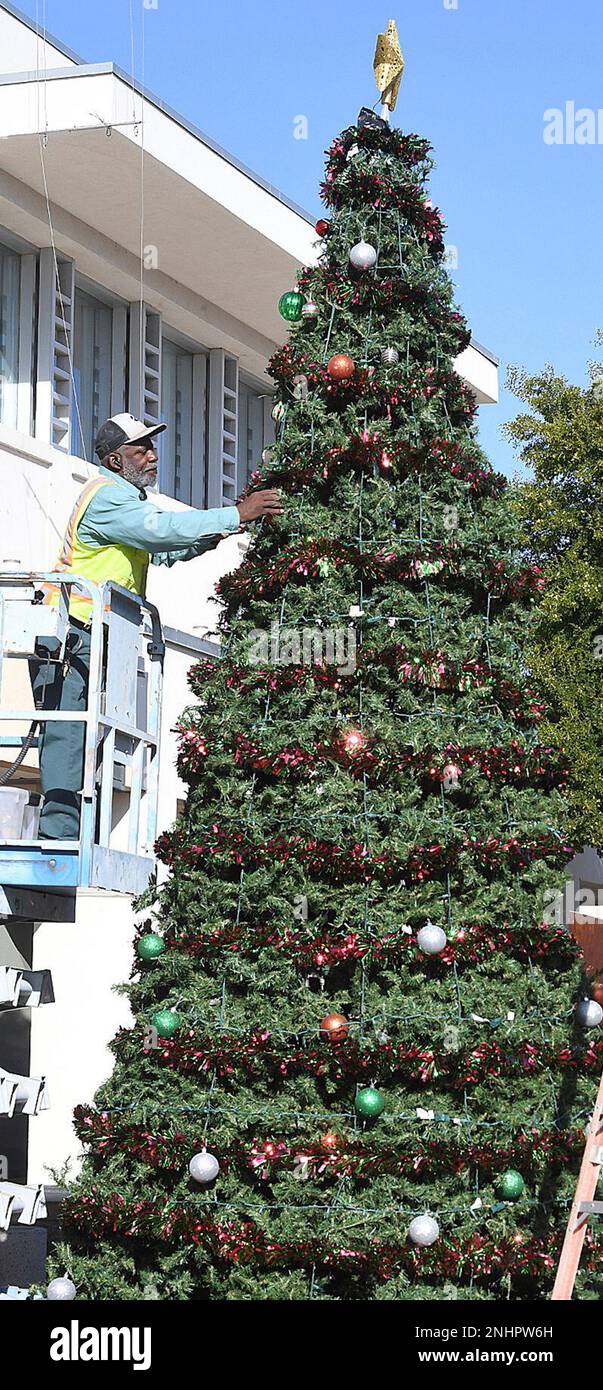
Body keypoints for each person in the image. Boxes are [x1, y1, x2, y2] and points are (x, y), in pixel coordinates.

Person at [32, 412, 282, 840]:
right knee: (69, 735)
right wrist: (235, 514)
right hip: (73, 632)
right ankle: (59, 838)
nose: (152, 456)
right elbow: (159, 531)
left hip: (97, 633)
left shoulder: (126, 501)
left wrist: (213, 534)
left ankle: (70, 832)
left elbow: (163, 550)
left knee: (91, 735)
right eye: (141, 449)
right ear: (115, 460)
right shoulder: (107, 496)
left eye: (151, 447)